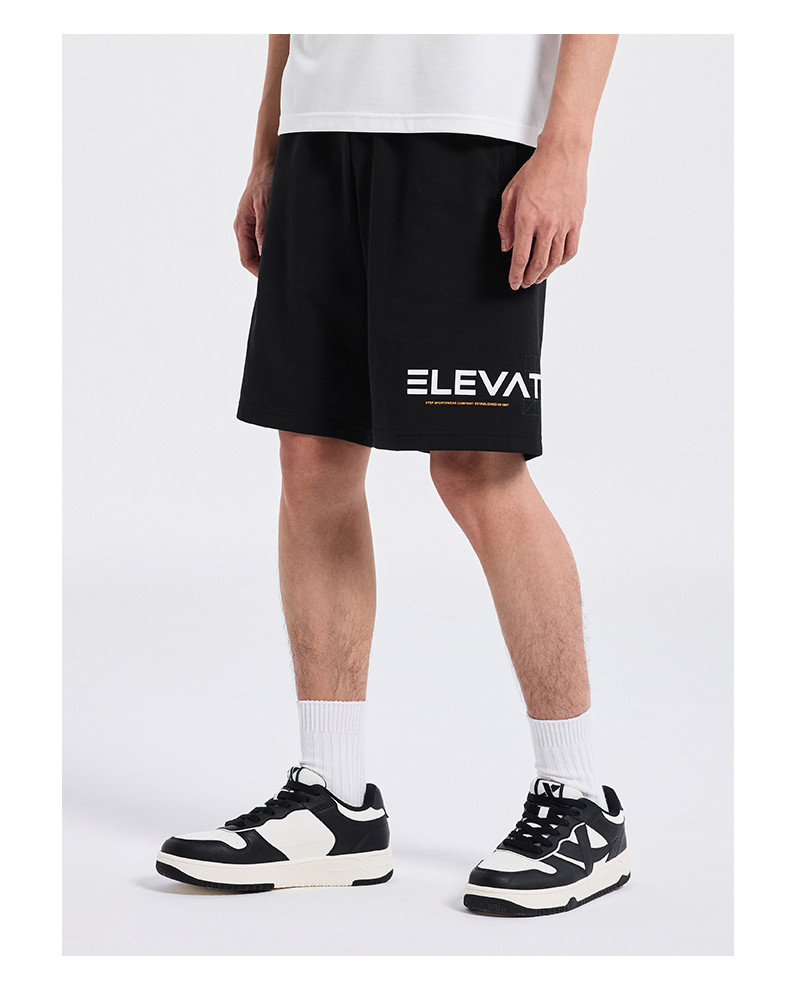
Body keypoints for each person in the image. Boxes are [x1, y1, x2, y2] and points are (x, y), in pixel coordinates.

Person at [156, 33, 628, 917]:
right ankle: (333, 799)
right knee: (312, 458)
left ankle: (580, 800)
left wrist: (566, 147)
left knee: (477, 466)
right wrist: (269, 146)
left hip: (472, 131)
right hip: (319, 133)